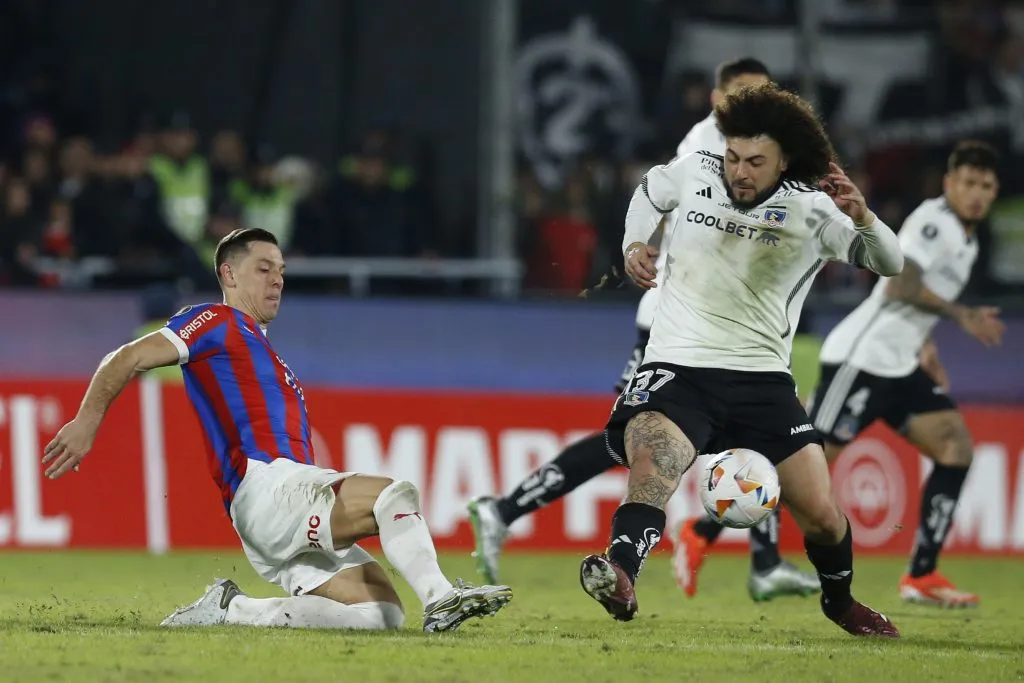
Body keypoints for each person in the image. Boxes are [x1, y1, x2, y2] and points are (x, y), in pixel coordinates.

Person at [467, 57, 819, 602]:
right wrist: (638, 246)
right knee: (629, 442)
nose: (753, 107)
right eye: (741, 95)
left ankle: (763, 560)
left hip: (727, 331)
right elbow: (666, 201)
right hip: (675, 327)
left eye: (761, 94)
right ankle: (505, 509)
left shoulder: (761, 151)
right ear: (717, 99)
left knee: (723, 434)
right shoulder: (708, 143)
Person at [42, 228, 512, 632]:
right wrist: (87, 421)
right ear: (229, 274)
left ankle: (232, 609)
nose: (278, 279)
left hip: (276, 505)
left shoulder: (261, 350)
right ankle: (441, 598)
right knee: (393, 494)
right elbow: (125, 357)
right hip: (267, 487)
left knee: (379, 614)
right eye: (263, 268)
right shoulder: (215, 321)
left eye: (281, 269)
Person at [579, 83, 904, 637]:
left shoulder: (812, 210)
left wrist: (864, 216)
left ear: (784, 162)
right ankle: (621, 573)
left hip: (762, 379)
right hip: (678, 365)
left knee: (823, 515)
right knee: (654, 464)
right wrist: (634, 245)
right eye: (733, 157)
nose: (739, 172)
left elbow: (889, 262)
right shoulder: (696, 169)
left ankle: (841, 603)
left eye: (756, 162)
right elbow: (649, 192)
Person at [809, 140, 1004, 608]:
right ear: (949, 184)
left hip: (900, 364)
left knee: (955, 448)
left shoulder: (967, 236)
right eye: (969, 183)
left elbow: (912, 305)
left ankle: (922, 574)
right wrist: (962, 316)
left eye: (986, 186)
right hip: (862, 359)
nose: (977, 193)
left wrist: (926, 344)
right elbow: (899, 287)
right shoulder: (935, 223)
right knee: (809, 465)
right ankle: (705, 527)